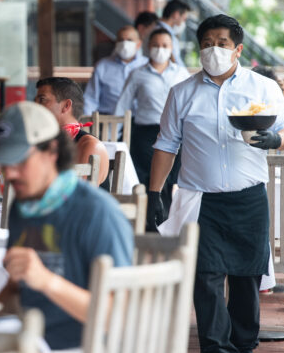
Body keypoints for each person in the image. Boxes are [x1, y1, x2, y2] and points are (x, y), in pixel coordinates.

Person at [148, 15, 284, 353]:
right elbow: (166, 145)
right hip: (203, 201)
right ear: (199, 48)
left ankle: (244, 350)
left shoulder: (262, 88)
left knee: (246, 277)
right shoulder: (181, 92)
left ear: (238, 49)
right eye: (207, 42)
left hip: (248, 199)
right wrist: (154, 193)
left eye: (222, 43)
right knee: (207, 278)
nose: (214, 49)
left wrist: (276, 140)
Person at [0, 102, 133, 352]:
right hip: (33, 343)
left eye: (20, 161)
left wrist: (47, 281)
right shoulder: (23, 207)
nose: (10, 174)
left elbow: (119, 315)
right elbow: (16, 290)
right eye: (4, 163)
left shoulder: (96, 211)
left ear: (52, 151)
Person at [115, 28, 190, 226]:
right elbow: (122, 106)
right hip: (145, 134)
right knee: (149, 180)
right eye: (156, 45)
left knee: (170, 180)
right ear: (148, 47)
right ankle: (149, 224)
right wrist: (114, 136)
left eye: (165, 45)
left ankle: (166, 224)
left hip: (175, 133)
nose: (160, 49)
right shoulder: (137, 74)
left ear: (172, 48)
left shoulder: (182, 74)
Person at [35, 77, 109, 184]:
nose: (36, 106)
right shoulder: (44, 141)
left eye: (42, 100)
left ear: (66, 106)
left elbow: (77, 194)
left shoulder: (90, 145)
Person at [83, 26, 148, 115]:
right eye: (121, 40)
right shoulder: (102, 66)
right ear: (116, 43)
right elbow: (91, 98)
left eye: (129, 40)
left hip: (138, 121)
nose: (125, 43)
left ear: (139, 44)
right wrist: (88, 125)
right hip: (108, 120)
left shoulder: (146, 65)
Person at [157, 0, 191, 68]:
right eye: (184, 19)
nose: (183, 23)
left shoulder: (156, 28)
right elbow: (176, 61)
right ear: (176, 14)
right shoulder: (164, 35)